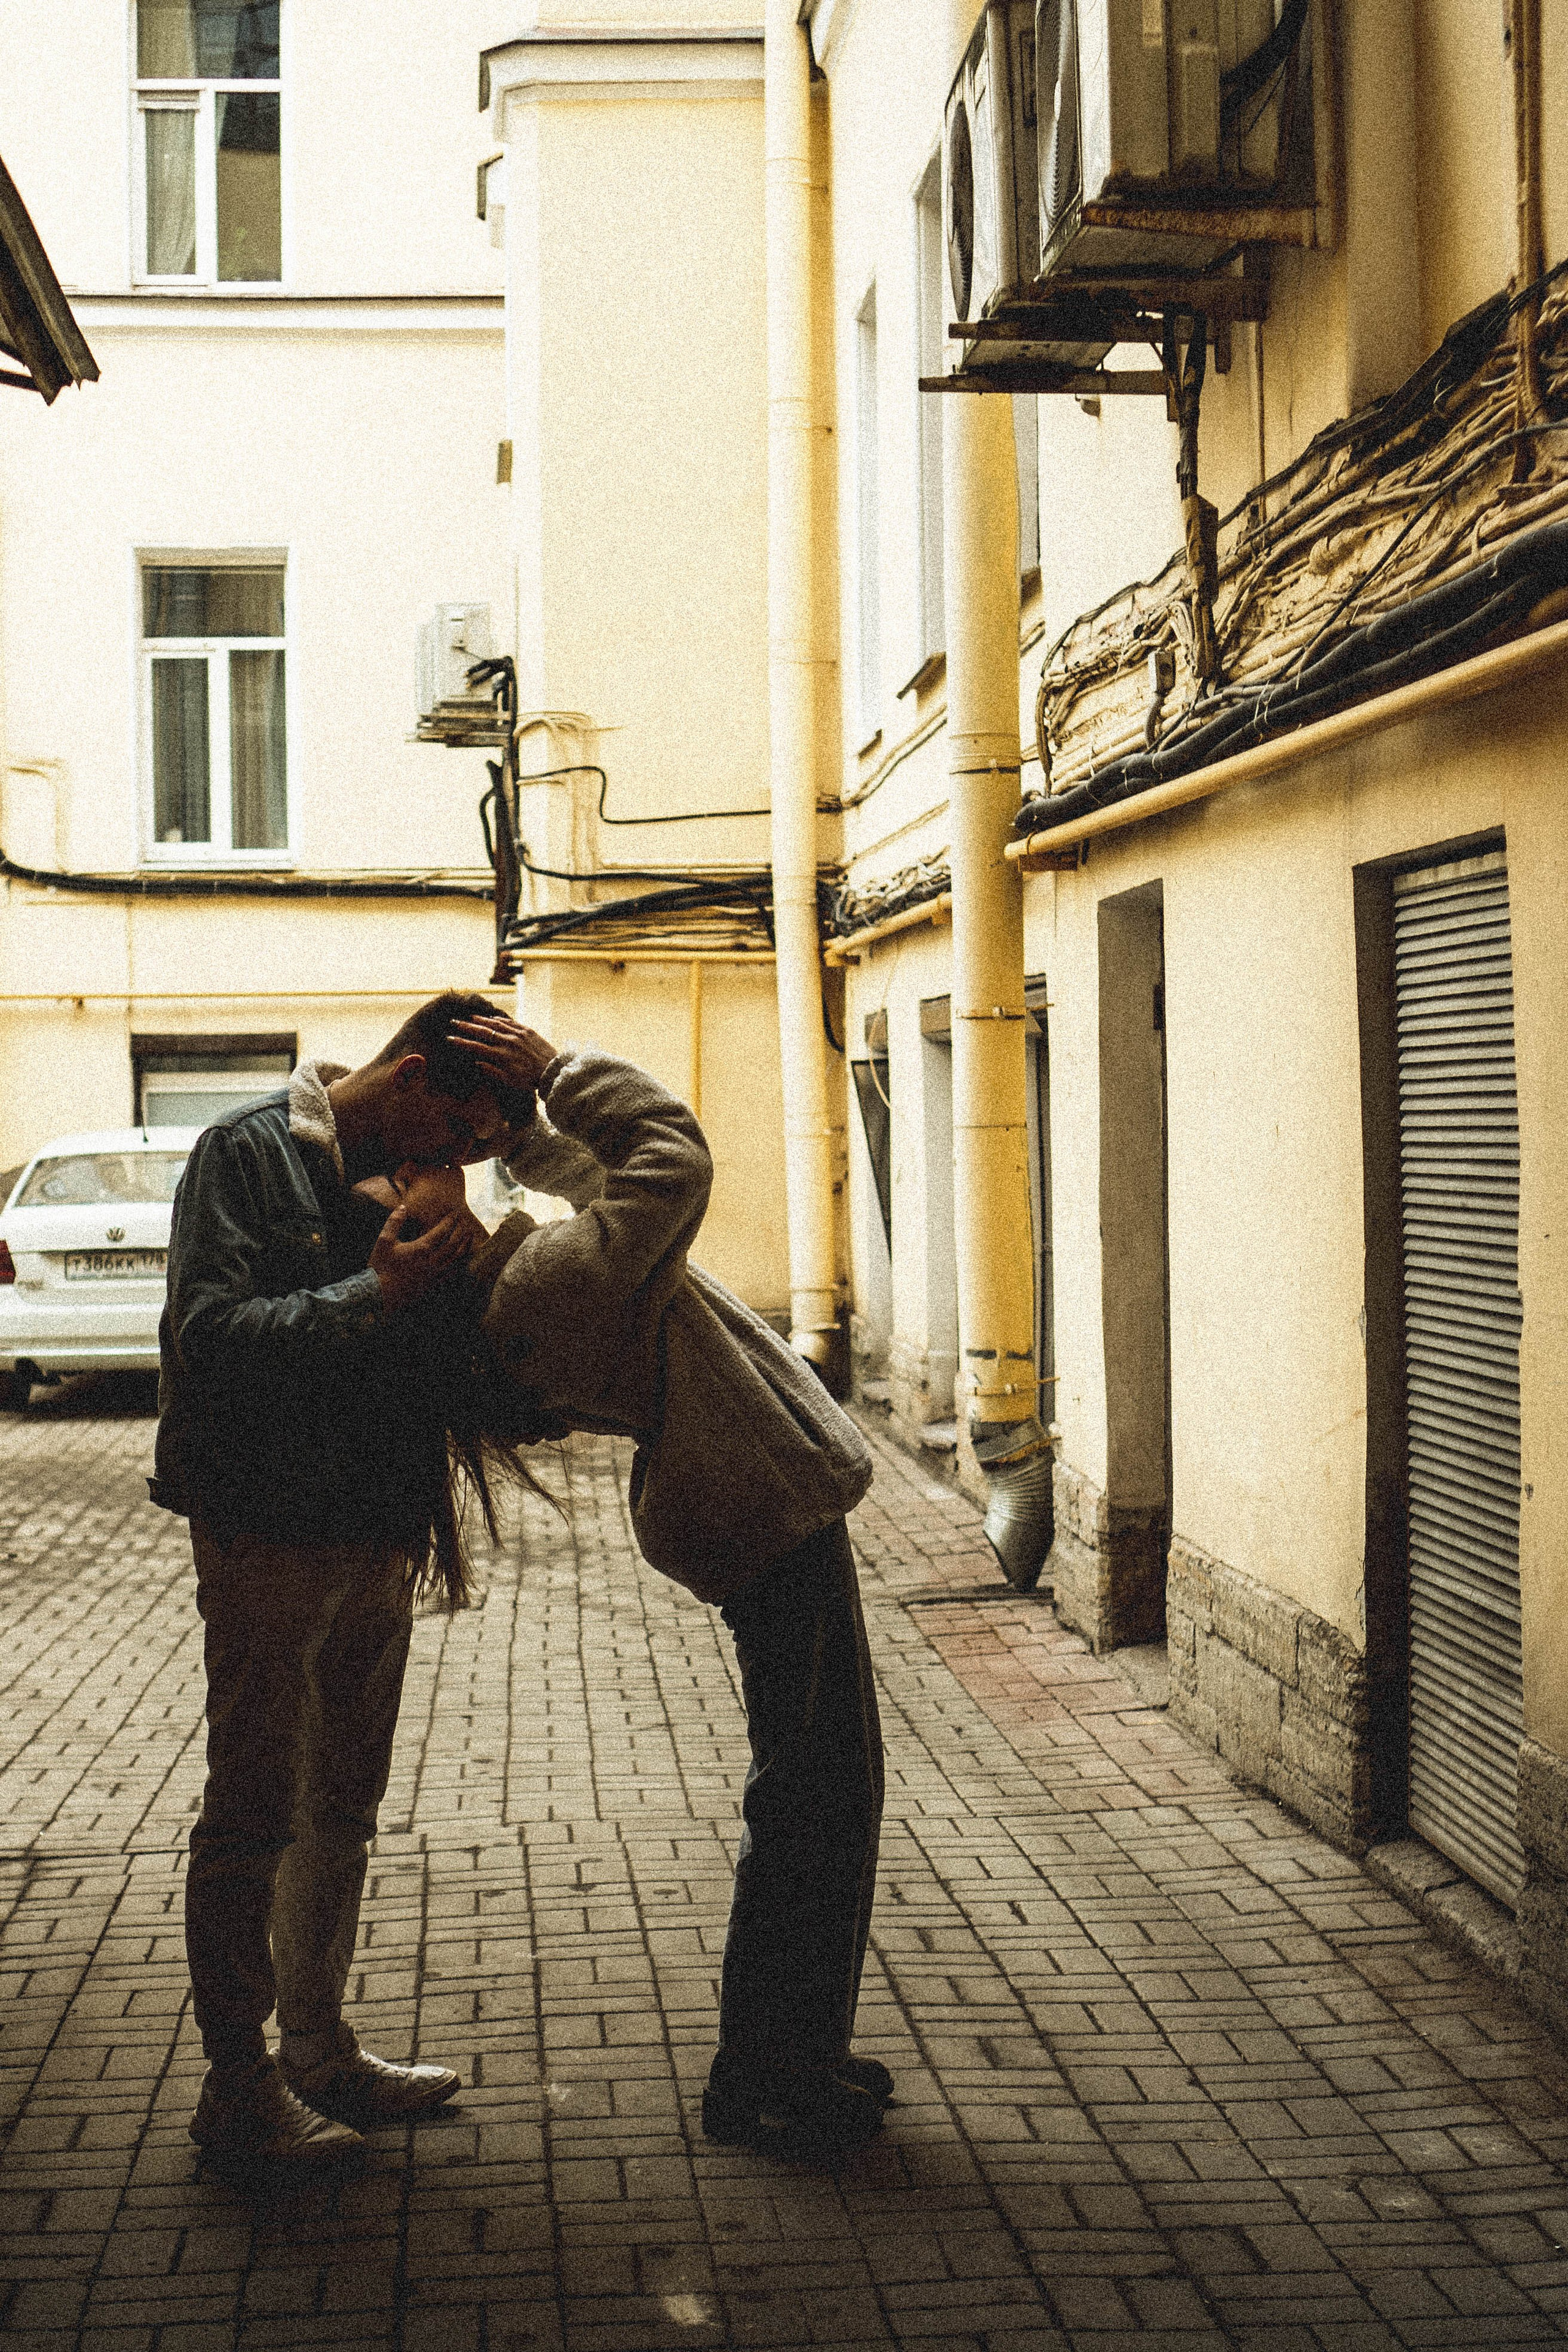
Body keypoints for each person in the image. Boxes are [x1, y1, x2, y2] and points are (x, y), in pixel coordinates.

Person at [401, 1011, 890, 2166]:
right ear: (411, 1250)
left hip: (749, 1507)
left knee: (822, 1787)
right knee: (815, 1798)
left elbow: (607, 1194)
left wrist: (521, 1131)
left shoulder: (528, 1282)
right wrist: (562, 1076)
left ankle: (794, 2052)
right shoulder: (537, 1294)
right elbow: (668, 1159)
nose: (443, 1180)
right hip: (760, 1512)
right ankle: (766, 2078)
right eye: (416, 1186)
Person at [151, 991, 516, 2174]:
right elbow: (209, 1334)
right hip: (262, 1529)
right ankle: (233, 2088)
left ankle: (316, 2050)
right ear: (411, 1079)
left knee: (343, 1802)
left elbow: (442, 1371)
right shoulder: (242, 1154)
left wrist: (459, 1269)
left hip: (372, 1532)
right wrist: (379, 1293)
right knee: (254, 1802)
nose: (459, 1162)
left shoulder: (399, 1188)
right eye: (460, 1134)